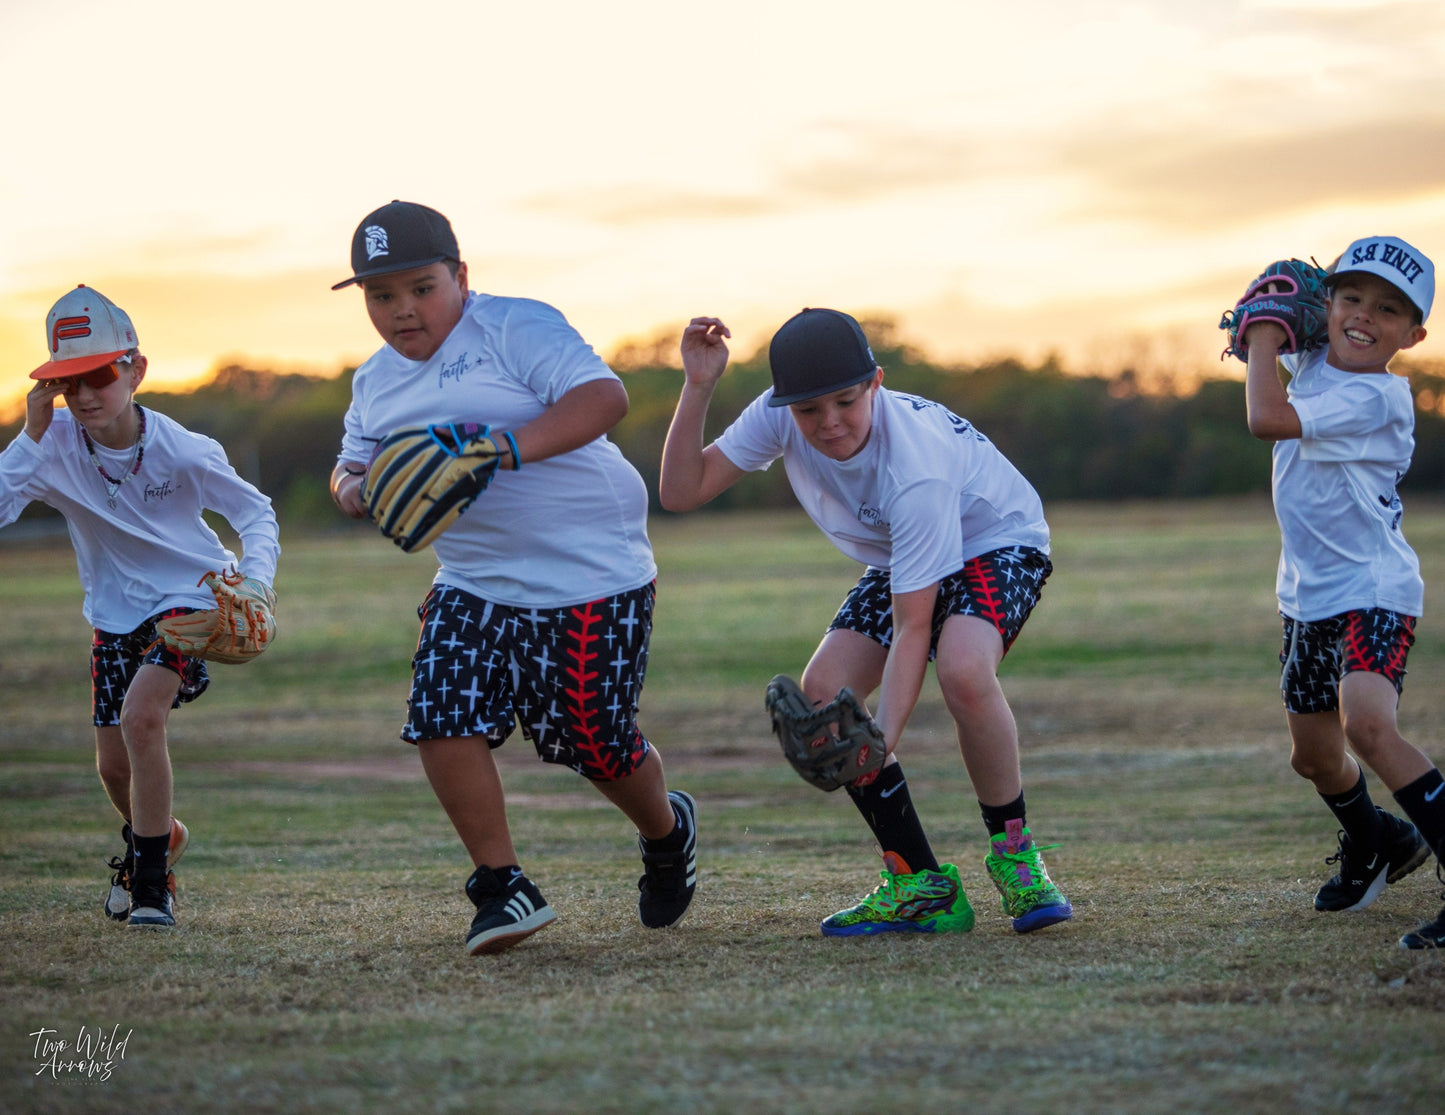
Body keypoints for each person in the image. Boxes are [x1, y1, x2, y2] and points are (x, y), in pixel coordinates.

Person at [328, 200, 697, 955]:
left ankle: (667, 831)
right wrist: (356, 490)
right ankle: (502, 886)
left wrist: (496, 450)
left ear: (460, 277)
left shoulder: (514, 327)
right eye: (381, 294)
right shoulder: (374, 382)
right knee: (440, 713)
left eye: (422, 288)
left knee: (593, 742)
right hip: (474, 577)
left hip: (592, 569)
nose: (402, 310)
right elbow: (349, 465)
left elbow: (605, 397)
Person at [661, 308, 1072, 936]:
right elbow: (680, 491)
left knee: (963, 670)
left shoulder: (916, 466)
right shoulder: (779, 414)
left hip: (996, 539)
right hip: (905, 553)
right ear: (785, 404)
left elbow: (914, 629)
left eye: (846, 402)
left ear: (876, 383)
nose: (828, 422)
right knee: (824, 695)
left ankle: (1017, 857)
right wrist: (697, 385)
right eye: (808, 410)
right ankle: (921, 885)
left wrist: (877, 741)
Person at [0, 285, 281, 928]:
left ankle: (152, 885)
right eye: (69, 381)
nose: (85, 394)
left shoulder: (181, 448)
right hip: (112, 615)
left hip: (191, 600)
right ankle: (163, 835)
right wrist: (29, 435)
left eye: (100, 374)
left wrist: (257, 583)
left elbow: (256, 513)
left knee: (142, 718)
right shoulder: (50, 444)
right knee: (112, 767)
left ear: (136, 370)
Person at [1242, 235, 1445, 949]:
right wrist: (1274, 329)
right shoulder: (1315, 361)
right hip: (1307, 597)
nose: (1362, 315)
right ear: (1325, 304)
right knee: (1314, 757)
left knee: (1368, 727)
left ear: (1412, 336)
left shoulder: (1378, 395)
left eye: (1387, 309)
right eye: (1349, 297)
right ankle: (1379, 840)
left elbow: (1266, 418)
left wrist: (1261, 336)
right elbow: (1280, 358)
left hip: (1373, 588)